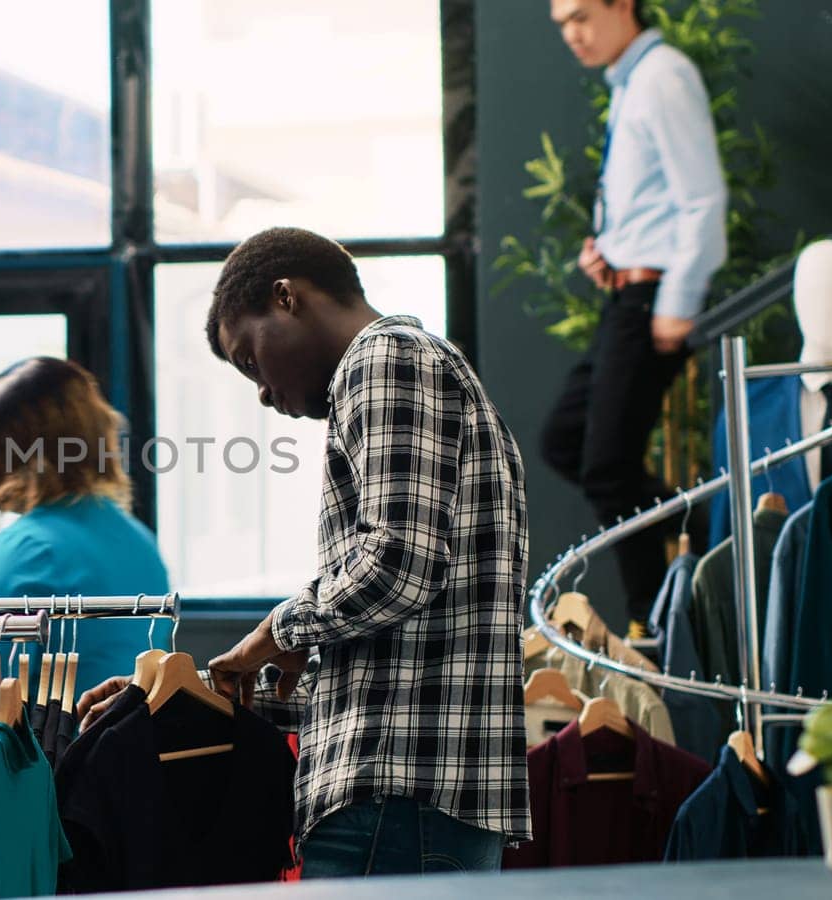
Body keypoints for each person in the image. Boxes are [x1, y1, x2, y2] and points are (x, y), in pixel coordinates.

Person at [81, 228, 531, 878]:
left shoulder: (386, 360)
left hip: (395, 800)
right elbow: (385, 663)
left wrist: (274, 628)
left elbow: (397, 568)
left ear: (286, 297)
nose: (261, 392)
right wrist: (173, 701)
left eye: (249, 361)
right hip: (416, 799)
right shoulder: (416, 369)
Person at [541, 0, 727, 635]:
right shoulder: (629, 81)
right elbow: (650, 200)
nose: (572, 35)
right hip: (625, 294)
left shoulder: (663, 75)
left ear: (624, 4)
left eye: (582, 16)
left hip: (654, 304)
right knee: (565, 441)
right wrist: (608, 251)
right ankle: (712, 528)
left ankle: (651, 623)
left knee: (609, 467)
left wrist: (677, 305)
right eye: (562, 24)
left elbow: (702, 200)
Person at [0, 356, 172, 695]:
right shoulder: (140, 542)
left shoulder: (22, 553)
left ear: (2, 453)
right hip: (134, 745)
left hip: (54, 748)